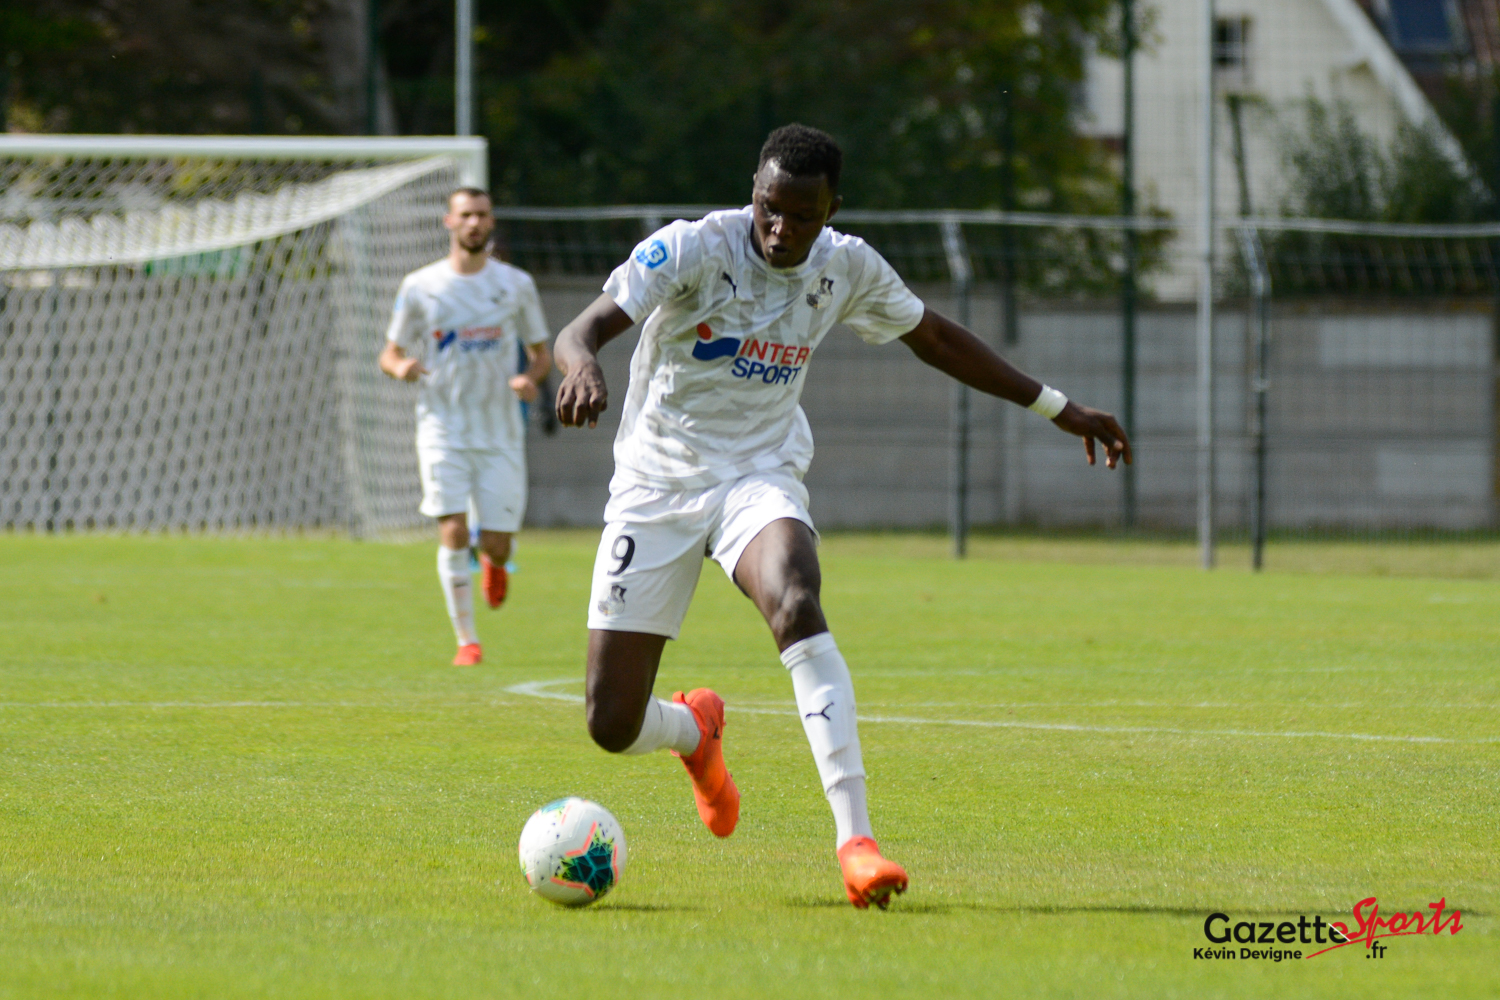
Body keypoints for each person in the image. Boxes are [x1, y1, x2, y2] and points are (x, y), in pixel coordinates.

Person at [552, 125, 1130, 908]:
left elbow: (935, 337)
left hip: (758, 475)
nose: (780, 230)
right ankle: (694, 731)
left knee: (796, 599)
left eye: (802, 216)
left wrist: (1056, 407)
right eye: (769, 209)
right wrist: (583, 364)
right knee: (610, 724)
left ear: (832, 211)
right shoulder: (692, 247)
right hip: (655, 484)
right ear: (753, 192)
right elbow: (581, 329)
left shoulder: (846, 266)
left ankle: (857, 844)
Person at [379, 188, 552, 666]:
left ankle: (496, 562)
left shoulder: (516, 284)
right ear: (449, 222)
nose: (474, 223)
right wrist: (401, 367)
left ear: (491, 221)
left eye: (482, 215)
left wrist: (530, 379)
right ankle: (467, 642)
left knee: (497, 544)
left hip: (499, 431)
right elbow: (389, 353)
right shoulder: (420, 285)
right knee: (453, 529)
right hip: (442, 427)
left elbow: (542, 354)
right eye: (466, 215)